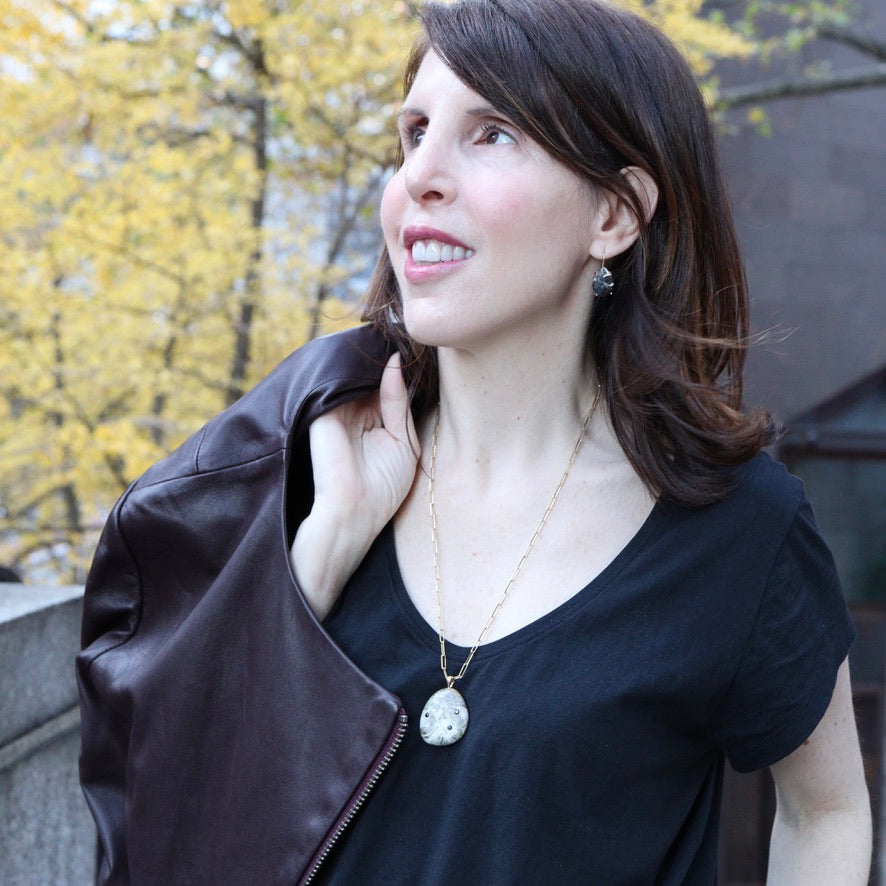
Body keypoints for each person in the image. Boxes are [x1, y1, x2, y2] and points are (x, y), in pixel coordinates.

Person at [77, 0, 872, 882]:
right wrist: (321, 557)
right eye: (415, 132)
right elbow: (181, 812)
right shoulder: (303, 473)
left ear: (614, 215)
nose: (421, 174)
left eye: (492, 133)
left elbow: (826, 811)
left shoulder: (740, 532)